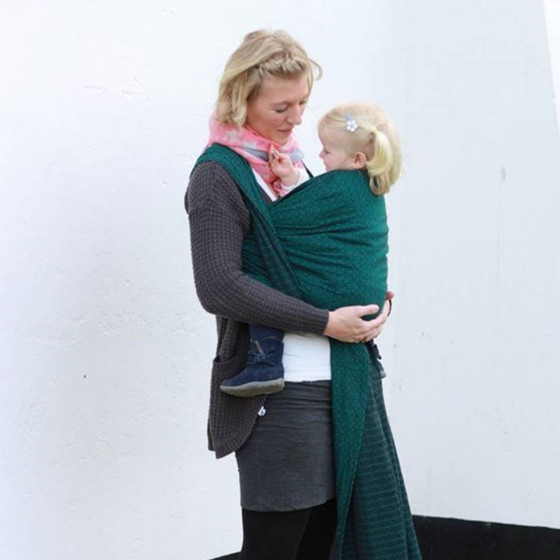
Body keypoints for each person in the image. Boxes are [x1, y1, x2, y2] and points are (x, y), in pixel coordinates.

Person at [186, 30, 421, 560]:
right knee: (274, 548)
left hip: (346, 384)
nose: (295, 119)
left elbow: (330, 247)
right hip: (279, 394)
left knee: (325, 545)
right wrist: (325, 321)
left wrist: (365, 293)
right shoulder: (218, 177)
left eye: (302, 104)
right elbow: (218, 285)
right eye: (281, 107)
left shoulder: (300, 164)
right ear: (241, 98)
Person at [219, 102, 399, 398]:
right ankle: (373, 355)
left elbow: (287, 221)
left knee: (259, 259)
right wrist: (292, 177)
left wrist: (253, 225)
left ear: (356, 159)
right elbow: (317, 208)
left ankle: (266, 360)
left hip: (342, 296)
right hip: (369, 296)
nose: (320, 156)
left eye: (327, 151)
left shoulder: (341, 185)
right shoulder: (368, 188)